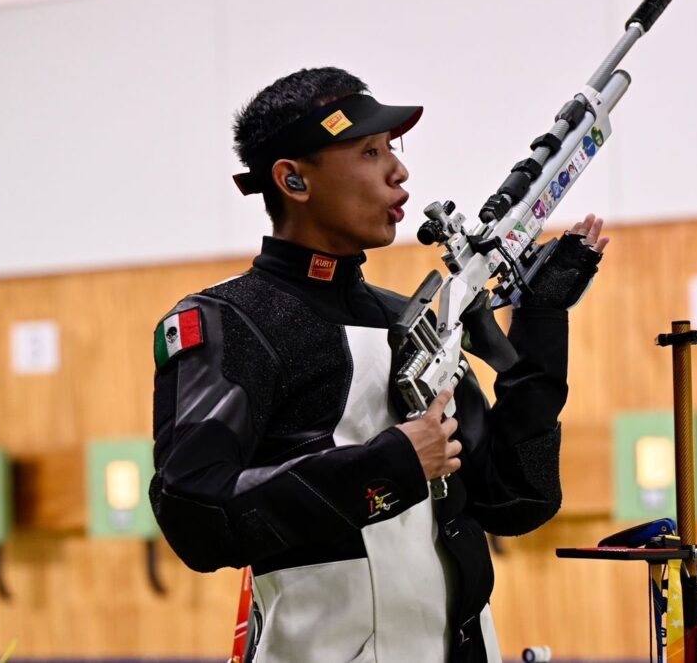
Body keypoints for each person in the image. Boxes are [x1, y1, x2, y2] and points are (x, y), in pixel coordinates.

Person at [149, 67, 608, 662]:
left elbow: (517, 502)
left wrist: (542, 325)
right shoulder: (228, 320)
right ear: (293, 179)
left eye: (392, 147)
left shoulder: (413, 319)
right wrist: (392, 464)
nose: (399, 170)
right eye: (369, 151)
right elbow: (195, 515)